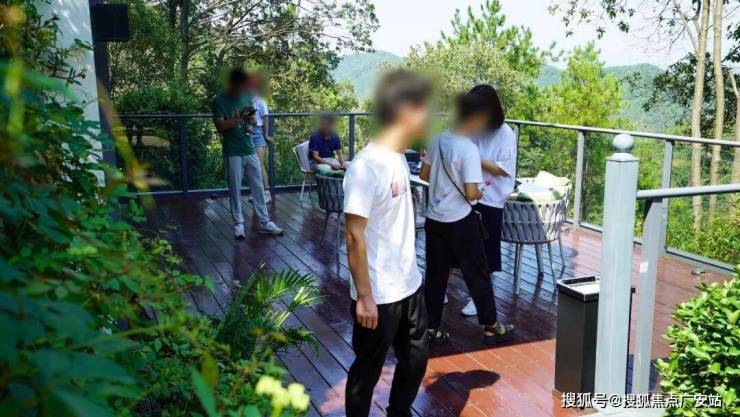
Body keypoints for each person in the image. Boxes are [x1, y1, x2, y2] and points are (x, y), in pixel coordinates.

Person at [343, 70, 431, 417]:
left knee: (416, 358)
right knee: (367, 371)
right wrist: (365, 297)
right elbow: (353, 235)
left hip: (409, 283)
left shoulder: (397, 157)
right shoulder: (366, 167)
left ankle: (398, 411)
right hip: (378, 292)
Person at [420, 92, 514, 346]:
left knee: (436, 276)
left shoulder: (437, 139)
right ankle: (491, 326)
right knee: (478, 274)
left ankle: (431, 328)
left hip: (434, 219)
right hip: (461, 221)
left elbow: (425, 175)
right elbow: (472, 192)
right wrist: (481, 189)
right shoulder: (468, 149)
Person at [460, 84, 518, 317]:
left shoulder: (505, 133)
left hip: (492, 197)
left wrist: (473, 157)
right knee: (468, 247)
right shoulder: (475, 127)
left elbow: (503, 169)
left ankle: (481, 297)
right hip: (470, 193)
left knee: (486, 249)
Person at [212, 68, 283, 238]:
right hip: (233, 150)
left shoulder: (246, 97)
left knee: (258, 186)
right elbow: (220, 126)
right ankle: (239, 224)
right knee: (235, 188)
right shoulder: (219, 100)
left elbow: (251, 126)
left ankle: (265, 222)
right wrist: (238, 117)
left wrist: (250, 121)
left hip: (249, 147)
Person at [247, 73, 274, 203]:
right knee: (250, 165)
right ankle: (255, 192)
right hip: (247, 133)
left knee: (259, 163)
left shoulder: (261, 100)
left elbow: (265, 118)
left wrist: (266, 135)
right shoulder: (245, 100)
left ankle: (267, 192)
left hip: (258, 133)